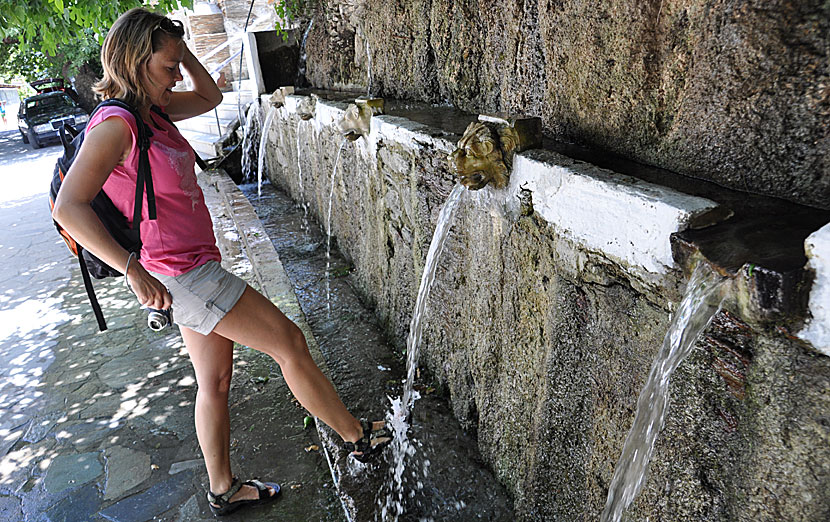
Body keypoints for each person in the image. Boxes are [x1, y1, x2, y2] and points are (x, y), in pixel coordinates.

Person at [52, 8, 389, 517]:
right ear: (138, 62)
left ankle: (223, 490)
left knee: (214, 383)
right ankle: (357, 437)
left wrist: (183, 50)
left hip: (188, 265)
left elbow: (210, 96)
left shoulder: (153, 112)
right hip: (182, 273)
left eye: (176, 64)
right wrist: (130, 267)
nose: (175, 75)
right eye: (167, 65)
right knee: (289, 343)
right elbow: (68, 207)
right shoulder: (117, 124)